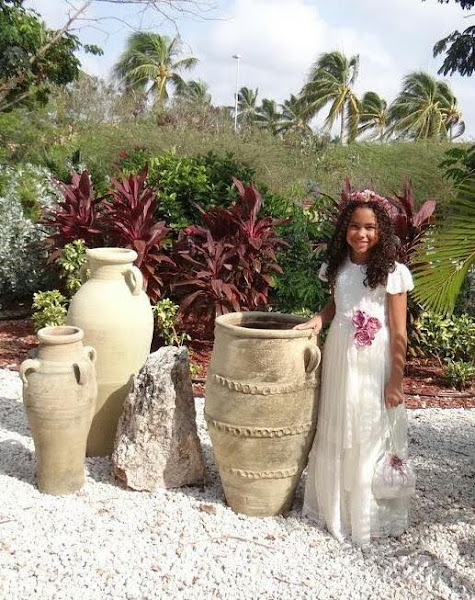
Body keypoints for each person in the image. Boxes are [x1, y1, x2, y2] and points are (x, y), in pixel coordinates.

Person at [294, 198, 414, 545]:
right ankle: (337, 508)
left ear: (381, 231)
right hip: (339, 353)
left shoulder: (392, 272)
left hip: (374, 360)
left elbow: (400, 331)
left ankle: (367, 515)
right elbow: (338, 302)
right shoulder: (337, 266)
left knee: (367, 427)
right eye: (355, 226)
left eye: (370, 227)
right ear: (345, 229)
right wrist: (320, 318)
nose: (361, 233)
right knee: (338, 423)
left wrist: (396, 380)